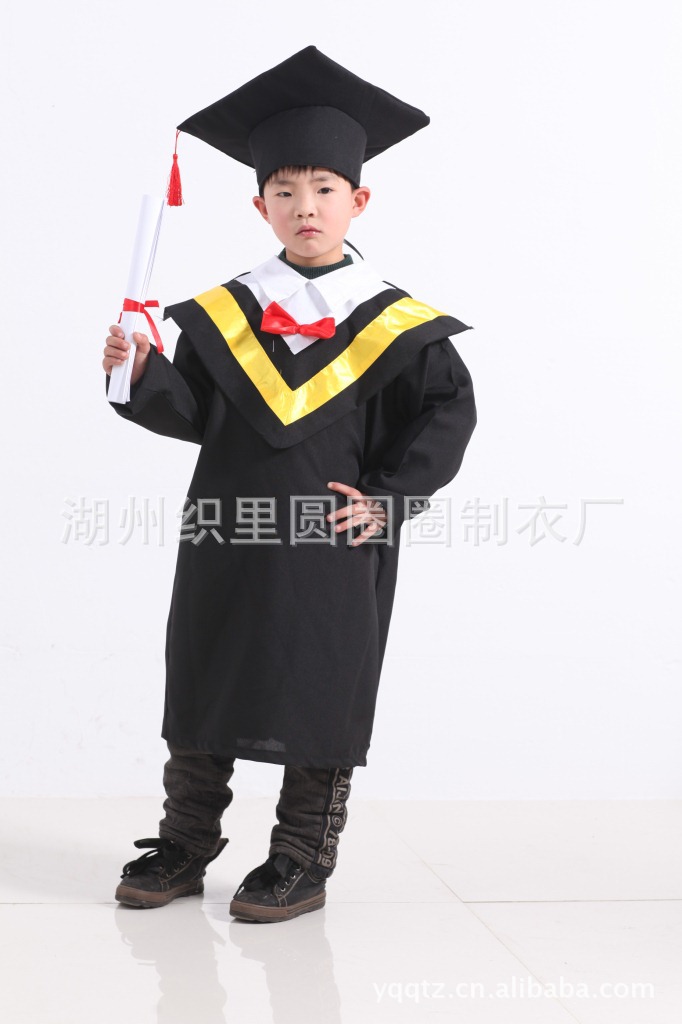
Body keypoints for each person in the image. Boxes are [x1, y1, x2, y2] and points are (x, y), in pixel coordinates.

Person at [102, 45, 477, 923]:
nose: (305, 207)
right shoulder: (223, 314)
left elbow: (446, 418)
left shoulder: (399, 325)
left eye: (324, 189)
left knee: (321, 685)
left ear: (358, 200)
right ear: (260, 204)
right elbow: (194, 413)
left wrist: (388, 500)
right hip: (227, 528)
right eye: (284, 191)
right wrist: (142, 369)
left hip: (331, 539)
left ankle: (301, 856)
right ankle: (186, 842)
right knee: (206, 676)